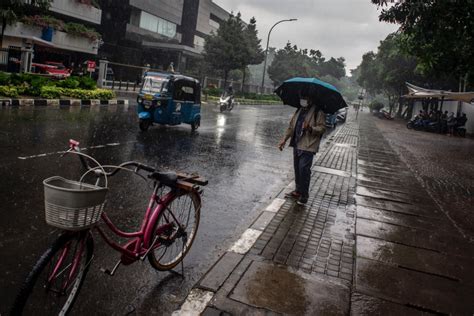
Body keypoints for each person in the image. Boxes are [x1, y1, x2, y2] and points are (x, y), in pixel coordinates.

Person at [278, 94, 326, 205]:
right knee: (297, 169)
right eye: (302, 97)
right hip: (297, 143)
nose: (303, 100)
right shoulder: (299, 110)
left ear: (311, 99)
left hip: (308, 145)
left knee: (304, 170)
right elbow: (291, 127)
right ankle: (298, 191)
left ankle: (304, 195)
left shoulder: (318, 112)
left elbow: (322, 128)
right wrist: (284, 140)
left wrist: (310, 128)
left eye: (305, 97)